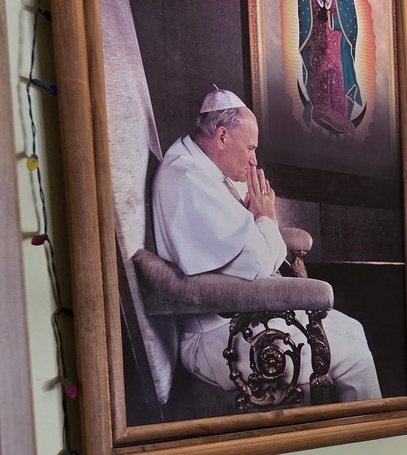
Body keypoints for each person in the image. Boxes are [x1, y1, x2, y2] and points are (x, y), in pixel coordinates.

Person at [151, 88, 381, 402]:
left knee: (354, 329)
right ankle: (363, 445)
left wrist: (258, 221)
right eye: (250, 147)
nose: (253, 159)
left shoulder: (200, 166)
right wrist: (264, 216)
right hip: (218, 338)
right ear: (221, 136)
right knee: (354, 356)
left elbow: (257, 253)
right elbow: (261, 265)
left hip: (242, 320)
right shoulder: (189, 180)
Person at [298, 0, 365, 135]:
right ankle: (321, 111)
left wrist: (330, 1)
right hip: (316, 35)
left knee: (334, 73)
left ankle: (339, 117)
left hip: (335, 36)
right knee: (319, 74)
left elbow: (350, 14)